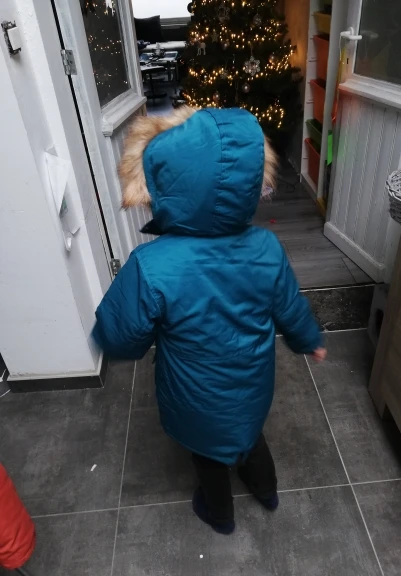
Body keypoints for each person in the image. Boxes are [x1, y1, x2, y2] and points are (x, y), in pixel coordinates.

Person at [92, 107, 326, 535]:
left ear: (165, 186)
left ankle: (219, 514)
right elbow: (289, 305)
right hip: (252, 383)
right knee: (249, 436)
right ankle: (267, 490)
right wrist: (309, 338)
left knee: (208, 456)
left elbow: (121, 333)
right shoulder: (266, 247)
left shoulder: (153, 264)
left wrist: (107, 336)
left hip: (193, 395)